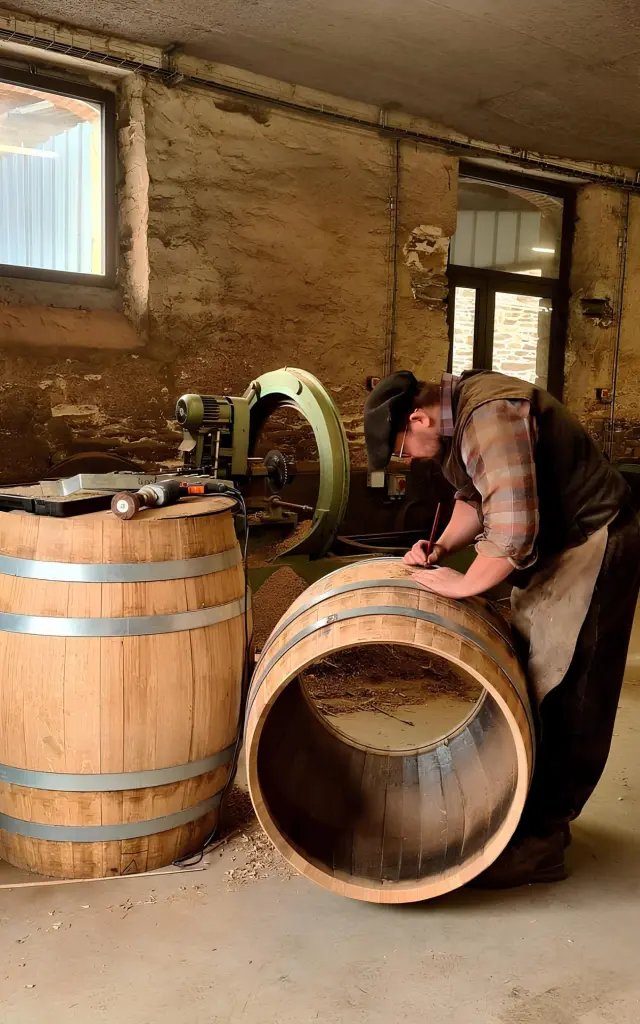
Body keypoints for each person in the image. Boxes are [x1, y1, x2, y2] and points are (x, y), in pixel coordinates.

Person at [364, 368, 640, 887]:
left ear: (418, 418)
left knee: (569, 688)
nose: (412, 458)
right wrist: (442, 547)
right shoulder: (453, 417)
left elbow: (513, 530)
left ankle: (543, 842)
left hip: (593, 540)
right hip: (556, 546)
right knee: (531, 674)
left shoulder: (487, 415)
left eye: (404, 447)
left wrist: (465, 585)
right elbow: (477, 497)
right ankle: (522, 813)